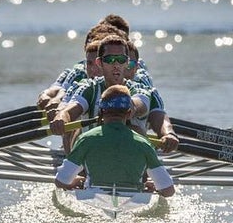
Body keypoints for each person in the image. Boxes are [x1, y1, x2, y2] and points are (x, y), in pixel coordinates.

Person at [49, 34, 179, 154]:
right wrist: (61, 118)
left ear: (127, 62)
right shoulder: (89, 89)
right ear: (99, 63)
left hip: (131, 166)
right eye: (110, 59)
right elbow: (69, 110)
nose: (116, 64)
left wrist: (169, 134)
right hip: (94, 163)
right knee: (77, 132)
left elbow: (157, 116)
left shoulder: (140, 90)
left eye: (121, 59)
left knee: (135, 129)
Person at [54, 85, 175, 197]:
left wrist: (74, 183)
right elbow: (168, 190)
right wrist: (153, 187)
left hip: (95, 197)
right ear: (128, 114)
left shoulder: (86, 139)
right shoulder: (144, 143)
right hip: (133, 199)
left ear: (101, 112)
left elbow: (60, 181)